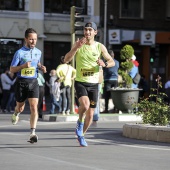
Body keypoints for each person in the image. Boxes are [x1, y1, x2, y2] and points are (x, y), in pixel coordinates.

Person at [64, 22, 115, 147]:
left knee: (91, 115)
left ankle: (81, 135)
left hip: (94, 84)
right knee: (85, 106)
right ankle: (80, 123)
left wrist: (104, 64)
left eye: (90, 30)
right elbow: (66, 59)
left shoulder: (99, 47)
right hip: (81, 82)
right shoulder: (79, 45)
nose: (87, 32)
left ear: (95, 32)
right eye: (86, 30)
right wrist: (76, 47)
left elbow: (112, 61)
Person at [10, 28, 47, 144]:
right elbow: (12, 69)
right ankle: (16, 112)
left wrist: (41, 67)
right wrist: (23, 66)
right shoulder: (19, 53)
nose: (33, 41)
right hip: (21, 82)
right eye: (31, 39)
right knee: (20, 106)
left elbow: (37, 63)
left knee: (34, 107)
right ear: (26, 39)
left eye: (35, 39)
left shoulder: (38, 52)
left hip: (33, 82)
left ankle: (33, 133)